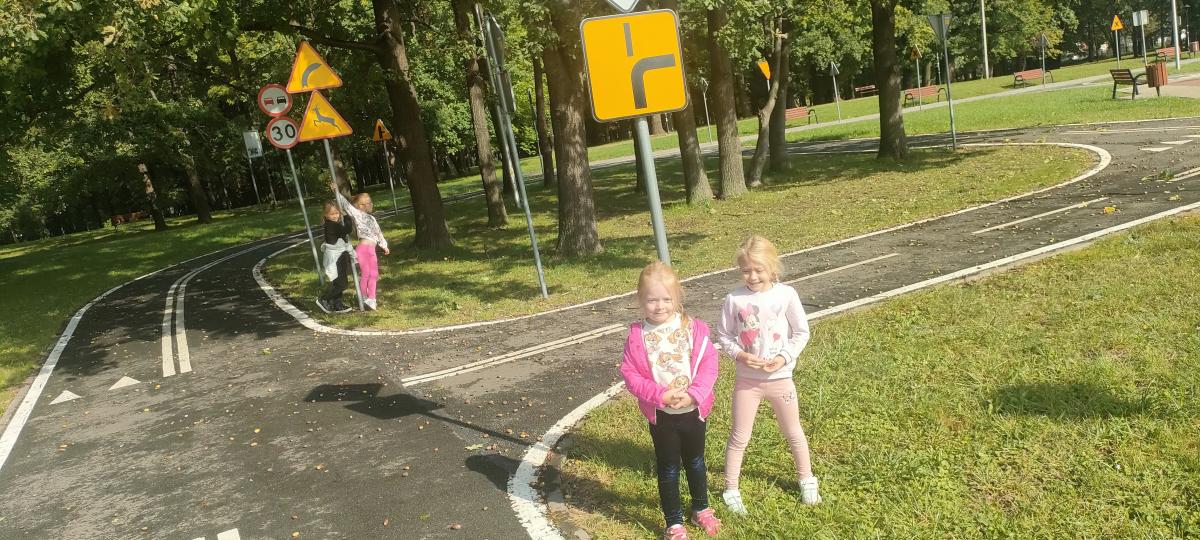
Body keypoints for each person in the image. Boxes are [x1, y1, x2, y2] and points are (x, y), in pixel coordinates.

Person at [717, 235, 820, 515]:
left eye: (758, 270)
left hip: (781, 380)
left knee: (793, 431)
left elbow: (801, 332)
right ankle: (731, 488)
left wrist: (783, 357)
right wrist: (740, 355)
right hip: (747, 382)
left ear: (773, 267)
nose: (752, 276)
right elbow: (724, 335)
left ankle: (807, 479)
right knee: (739, 435)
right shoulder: (734, 299)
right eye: (746, 270)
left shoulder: (786, 295)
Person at [619, 261, 722, 540]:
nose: (660, 306)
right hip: (662, 416)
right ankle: (674, 523)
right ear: (640, 299)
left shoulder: (693, 328)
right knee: (668, 467)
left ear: (677, 297)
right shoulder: (638, 336)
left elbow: (709, 365)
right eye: (652, 300)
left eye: (666, 299)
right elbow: (630, 375)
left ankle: (701, 508)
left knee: (696, 461)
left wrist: (694, 394)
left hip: (693, 412)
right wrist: (660, 395)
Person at [329, 182, 389, 310]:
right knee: (366, 273)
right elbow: (345, 204)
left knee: (374, 274)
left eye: (370, 202)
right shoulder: (357, 214)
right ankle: (363, 297)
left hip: (371, 250)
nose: (369, 205)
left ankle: (372, 299)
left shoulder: (372, 219)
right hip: (362, 249)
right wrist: (336, 191)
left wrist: (384, 245)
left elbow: (378, 233)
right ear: (358, 206)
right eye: (365, 203)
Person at [317, 201, 355, 314]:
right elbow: (347, 229)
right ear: (326, 215)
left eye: (337, 213)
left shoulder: (334, 224)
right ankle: (324, 298)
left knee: (340, 281)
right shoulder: (331, 225)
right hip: (336, 258)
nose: (335, 216)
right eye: (332, 214)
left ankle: (337, 304)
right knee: (342, 284)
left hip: (340, 255)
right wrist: (347, 217)